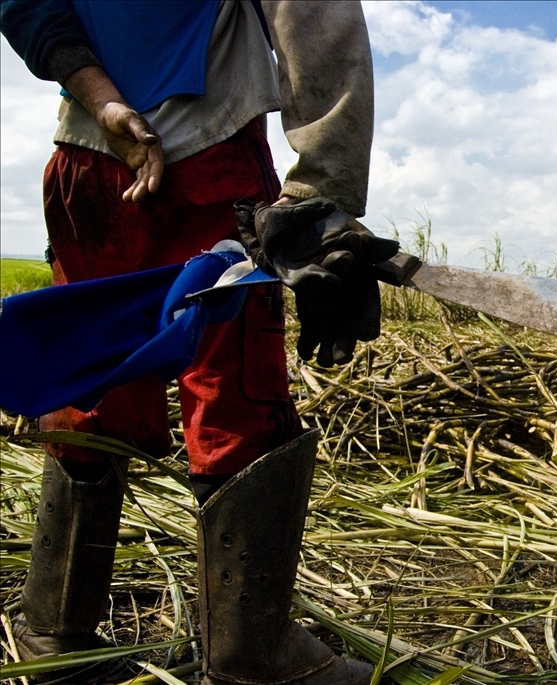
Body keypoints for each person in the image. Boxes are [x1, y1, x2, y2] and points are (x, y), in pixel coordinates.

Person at [0, 2, 393, 683]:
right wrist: (320, 189)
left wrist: (107, 105)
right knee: (235, 397)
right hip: (209, 160)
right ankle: (251, 652)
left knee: (91, 382)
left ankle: (54, 631)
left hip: (89, 164)